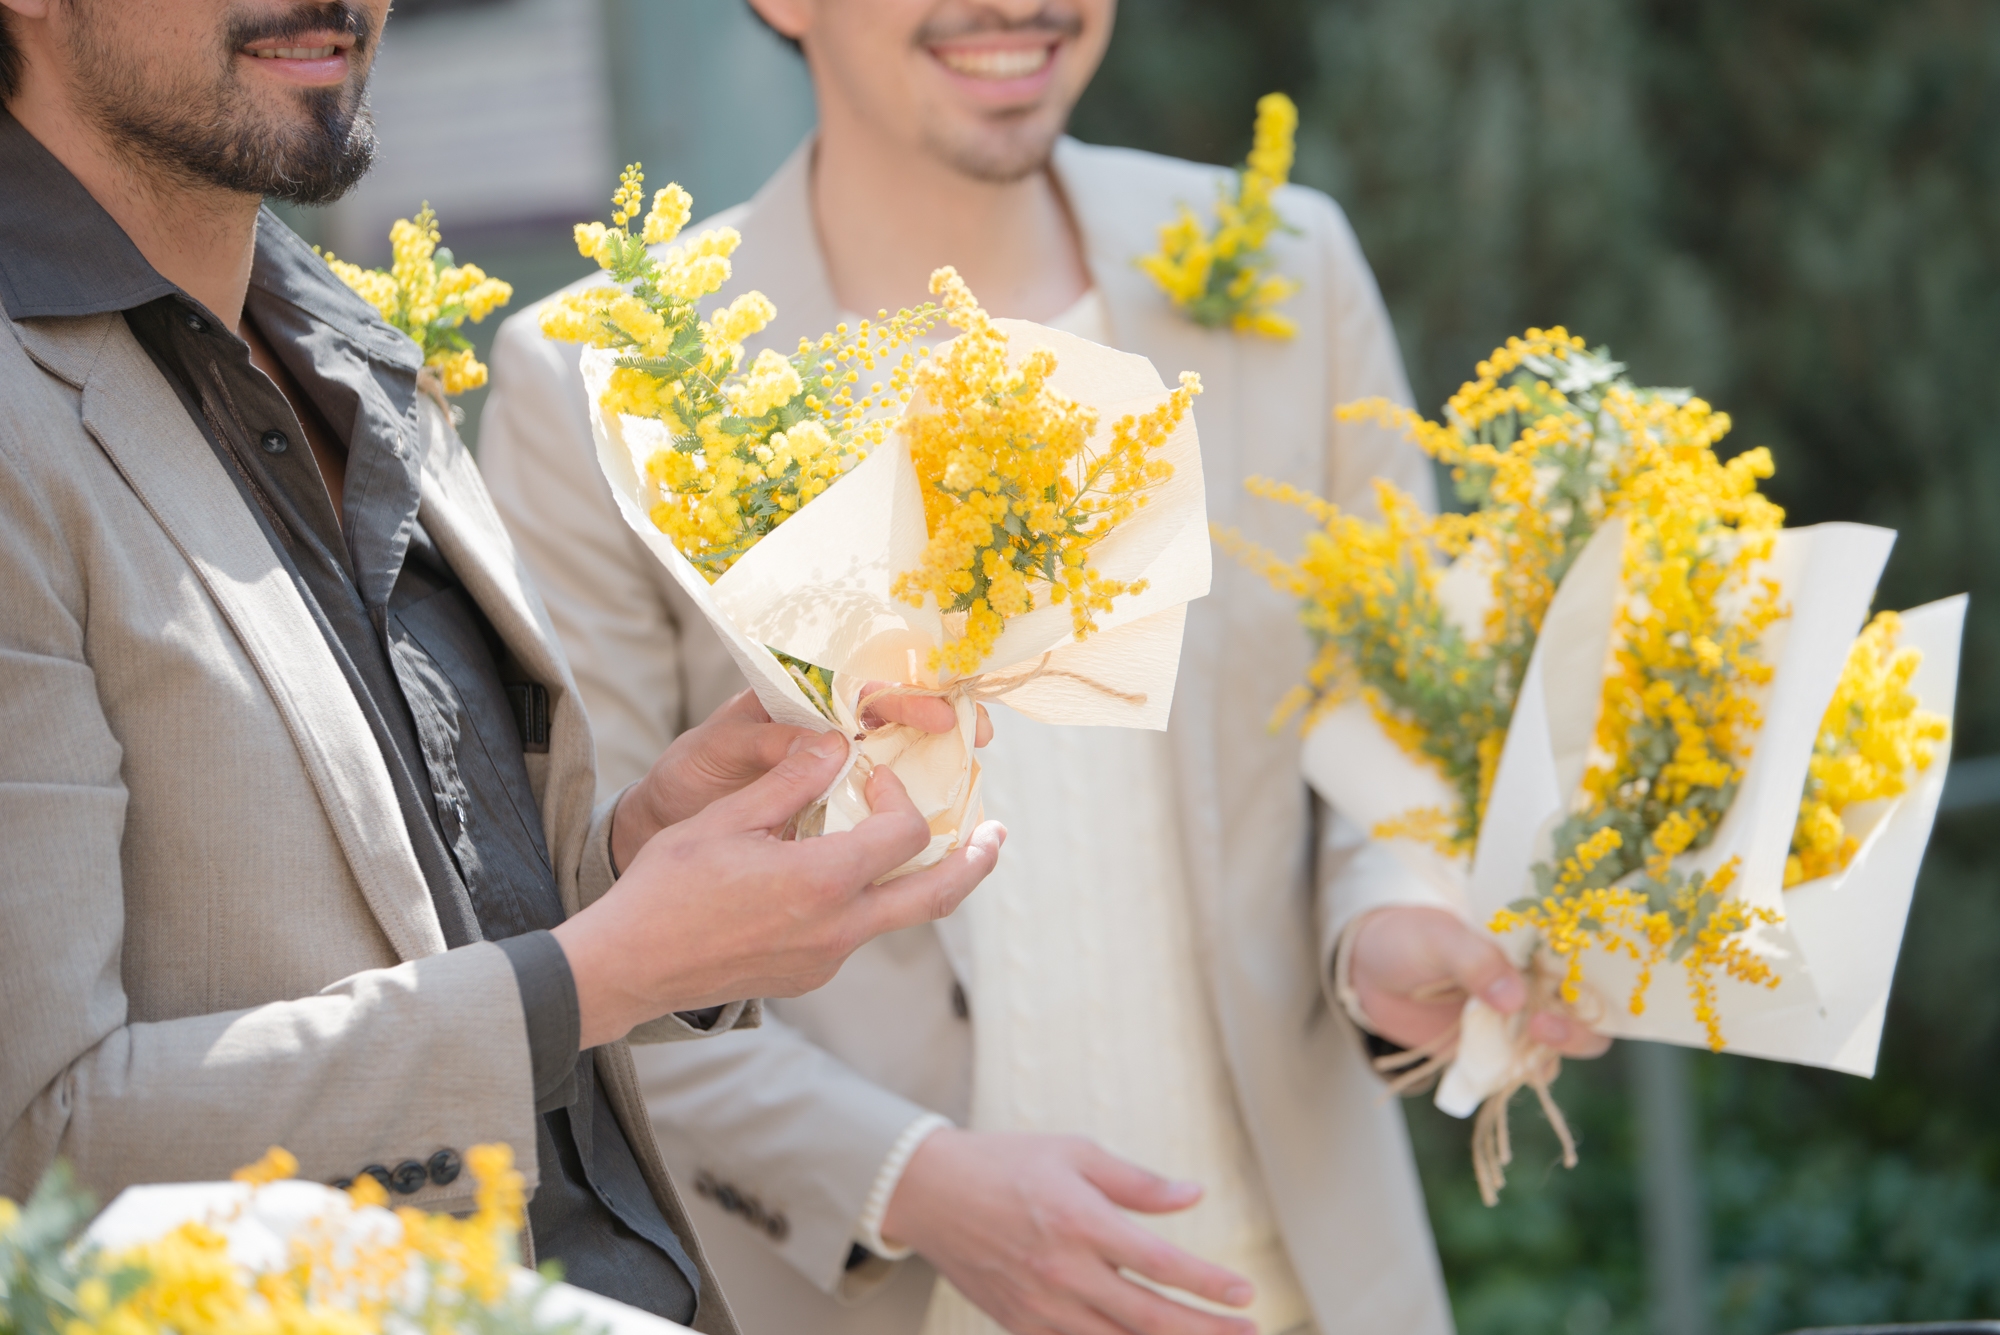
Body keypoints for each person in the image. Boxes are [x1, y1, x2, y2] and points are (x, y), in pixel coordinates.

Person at [478, 2, 1608, 1332]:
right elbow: (587, 935)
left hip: (1297, 1291)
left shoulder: (1288, 269)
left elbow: (1391, 720)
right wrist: (909, 1184)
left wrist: (1391, 915)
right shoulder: (601, 378)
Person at [0, 4, 1004, 1333]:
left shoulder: (343, 347)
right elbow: (40, 1147)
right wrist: (603, 972)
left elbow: (422, 921)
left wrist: (633, 867)